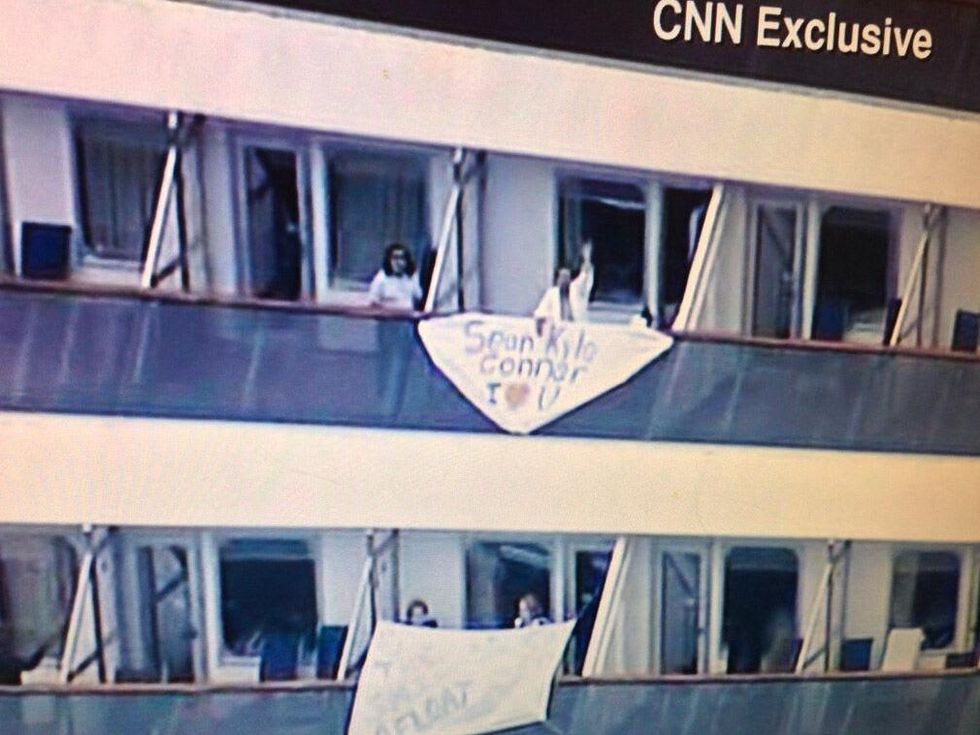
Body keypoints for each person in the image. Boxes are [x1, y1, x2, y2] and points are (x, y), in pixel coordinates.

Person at [533, 241, 594, 334]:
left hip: (578, 329)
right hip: (560, 331)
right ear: (558, 280)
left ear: (570, 279)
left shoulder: (577, 288)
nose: (564, 280)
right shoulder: (552, 293)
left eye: (567, 277)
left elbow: (585, 274)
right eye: (562, 277)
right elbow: (540, 311)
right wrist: (539, 321)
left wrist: (587, 259)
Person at [369, 243, 422, 310]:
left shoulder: (412, 276)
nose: (398, 262)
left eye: (402, 258)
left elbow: (418, 297)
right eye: (395, 258)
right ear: (389, 260)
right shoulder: (381, 277)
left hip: (407, 318)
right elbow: (373, 301)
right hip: (388, 318)